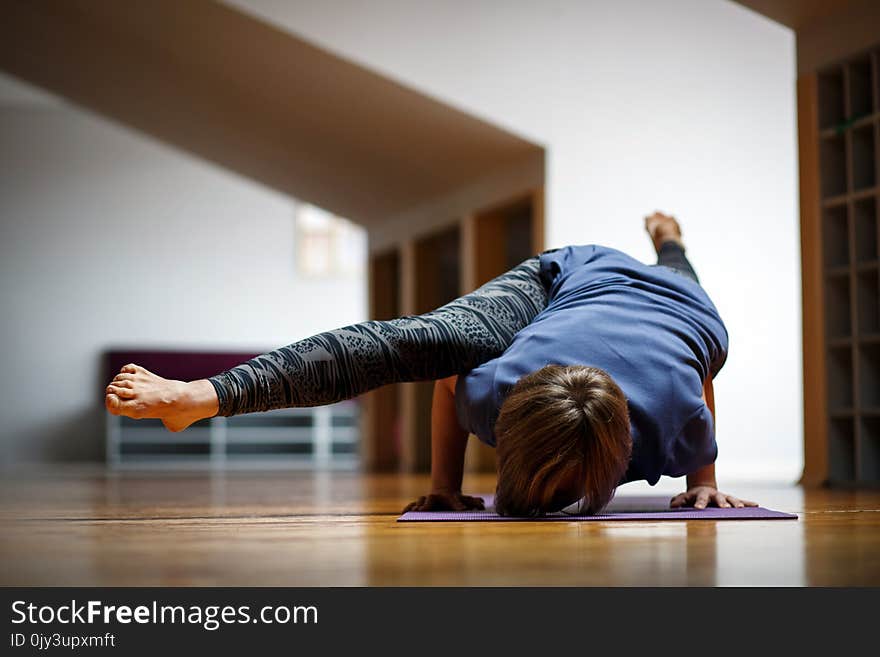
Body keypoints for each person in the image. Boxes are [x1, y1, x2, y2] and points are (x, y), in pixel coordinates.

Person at [105, 212, 756, 516]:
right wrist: (446, 482)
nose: (553, 501)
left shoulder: (676, 416)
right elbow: (445, 383)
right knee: (426, 339)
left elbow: (697, 377)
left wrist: (705, 478)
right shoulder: (493, 388)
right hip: (570, 275)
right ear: (506, 432)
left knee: (677, 269)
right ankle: (202, 395)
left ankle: (669, 239)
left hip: (678, 302)